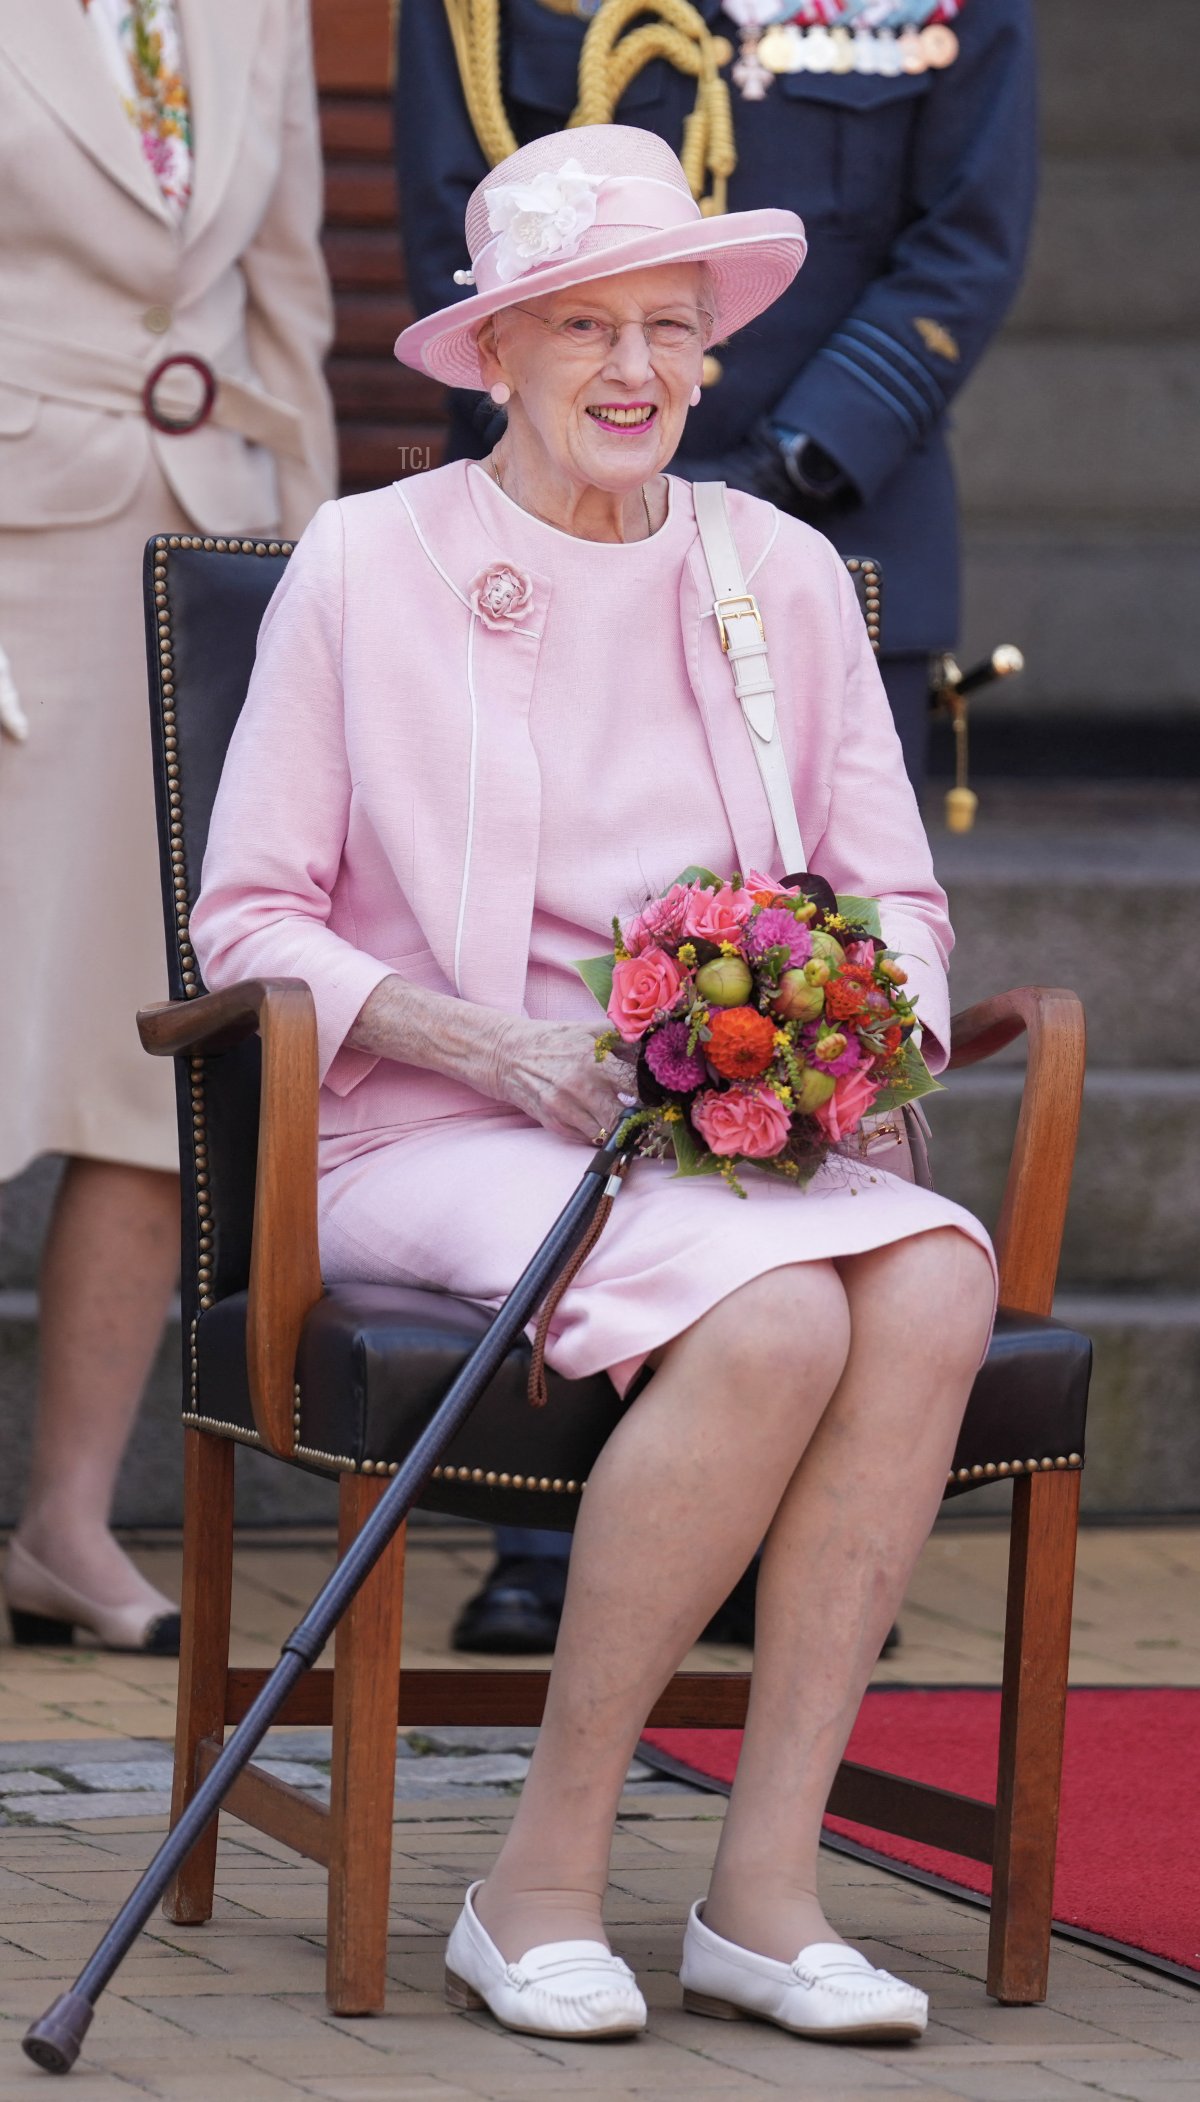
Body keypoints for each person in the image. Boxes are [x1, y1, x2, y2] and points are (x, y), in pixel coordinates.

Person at [190, 124, 996, 2044]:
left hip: (720, 1141)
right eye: (582, 328)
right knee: (782, 1307)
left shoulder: (776, 568)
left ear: (712, 353)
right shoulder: (368, 561)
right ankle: (538, 1877)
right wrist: (492, 1043)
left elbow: (894, 892)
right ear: (495, 354)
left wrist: (872, 1037)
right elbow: (249, 921)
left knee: (941, 1271)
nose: (636, 369)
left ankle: (762, 1891)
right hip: (437, 1124)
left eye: (669, 325)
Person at [395, 0, 1036, 1650]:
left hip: (838, 498)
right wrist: (605, 440)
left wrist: (766, 476)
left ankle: (803, 1534)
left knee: (790, 941)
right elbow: (460, 212)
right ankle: (559, 1545)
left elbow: (967, 237)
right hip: (553, 486)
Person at [0, 0, 335, 1654]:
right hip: (11, 552)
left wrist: (332, 607)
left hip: (198, 557)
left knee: (151, 1048)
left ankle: (66, 1520)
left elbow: (290, 301)